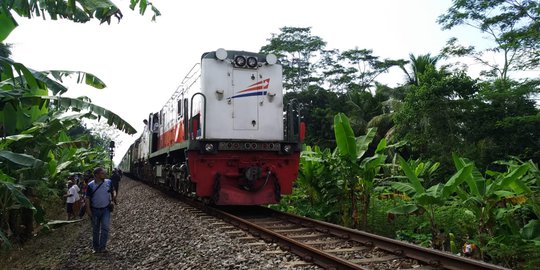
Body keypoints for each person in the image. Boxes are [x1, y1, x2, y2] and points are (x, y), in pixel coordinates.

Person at [86, 167, 116, 253]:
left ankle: (102, 247)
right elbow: (87, 198)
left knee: (105, 228)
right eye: (102, 173)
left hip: (106, 209)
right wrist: (88, 210)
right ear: (96, 175)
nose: (104, 174)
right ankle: (95, 248)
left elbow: (113, 190)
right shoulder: (90, 185)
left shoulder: (108, 182)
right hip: (95, 210)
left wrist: (114, 196)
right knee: (95, 230)